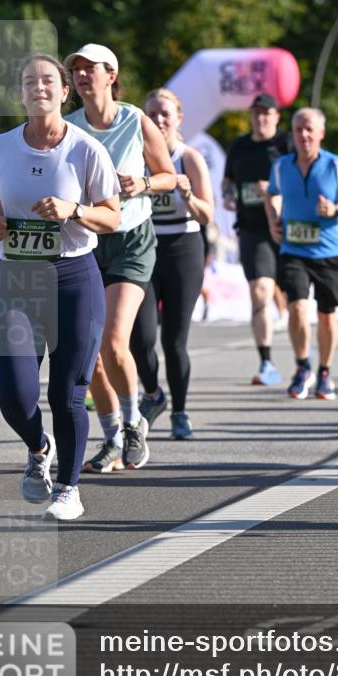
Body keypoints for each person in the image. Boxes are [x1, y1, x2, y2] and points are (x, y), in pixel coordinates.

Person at [0, 53, 121, 520]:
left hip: (72, 277)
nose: (38, 87)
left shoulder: (86, 149)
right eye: (29, 81)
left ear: (65, 93)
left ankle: (69, 487)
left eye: (48, 81)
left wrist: (74, 210)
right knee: (14, 395)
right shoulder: (0, 146)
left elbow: (112, 215)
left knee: (67, 389)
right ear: (20, 93)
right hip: (17, 278)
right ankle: (38, 448)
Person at [63, 44, 176, 475]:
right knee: (88, 354)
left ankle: (133, 423)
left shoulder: (135, 119)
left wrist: (143, 182)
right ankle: (111, 436)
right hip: (88, 240)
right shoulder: (69, 127)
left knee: (113, 341)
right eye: (76, 70)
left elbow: (169, 175)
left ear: (111, 75)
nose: (82, 75)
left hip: (131, 239)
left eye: (91, 68)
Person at [130, 88, 214, 439]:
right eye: (152, 114)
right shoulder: (136, 157)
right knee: (139, 337)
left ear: (179, 118)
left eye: (165, 113)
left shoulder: (188, 157)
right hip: (144, 247)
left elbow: (207, 215)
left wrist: (187, 194)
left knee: (174, 340)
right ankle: (154, 393)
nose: (159, 120)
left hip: (183, 248)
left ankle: (180, 411)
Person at [265, 108, 338, 400]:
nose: (304, 135)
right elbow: (271, 193)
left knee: (326, 315)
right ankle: (302, 366)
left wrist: (335, 209)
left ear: (321, 133)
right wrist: (273, 219)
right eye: (298, 129)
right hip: (293, 248)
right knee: (296, 306)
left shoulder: (336, 165)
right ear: (292, 134)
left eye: (309, 129)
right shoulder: (282, 166)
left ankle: (324, 371)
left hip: (329, 251)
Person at [223, 93, 291, 386]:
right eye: (256, 113)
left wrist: (275, 189)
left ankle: (306, 359)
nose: (261, 118)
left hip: (289, 228)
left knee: (298, 298)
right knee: (260, 292)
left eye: (267, 113)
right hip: (252, 229)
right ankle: (266, 361)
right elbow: (228, 182)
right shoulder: (239, 146)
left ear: (277, 117)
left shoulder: (286, 144)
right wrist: (228, 195)